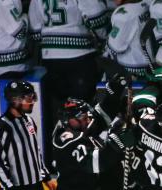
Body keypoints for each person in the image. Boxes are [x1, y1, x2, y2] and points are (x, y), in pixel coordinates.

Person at [29, 0, 109, 170]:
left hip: (51, 60)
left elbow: (35, 30)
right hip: (79, 59)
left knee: (59, 113)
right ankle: (86, 162)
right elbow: (95, 16)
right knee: (84, 111)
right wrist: (102, 36)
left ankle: (58, 160)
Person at [105, 0, 154, 79]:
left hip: (133, 72)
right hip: (155, 66)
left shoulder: (122, 15)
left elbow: (116, 47)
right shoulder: (149, 3)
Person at [0, 0, 31, 78]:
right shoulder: (3, 1)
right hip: (8, 64)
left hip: (9, 62)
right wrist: (26, 16)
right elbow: (20, 32)